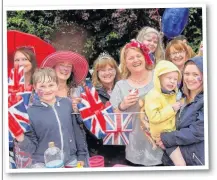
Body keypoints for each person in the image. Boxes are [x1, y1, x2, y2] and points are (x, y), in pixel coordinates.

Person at [15, 67, 89, 167]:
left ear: (57, 85)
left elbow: (77, 131)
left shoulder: (67, 103)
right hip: (43, 164)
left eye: (51, 85)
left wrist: (81, 156)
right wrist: (21, 138)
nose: (47, 90)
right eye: (42, 86)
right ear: (34, 88)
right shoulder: (30, 113)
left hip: (70, 160)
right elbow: (31, 148)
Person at [110, 39, 163, 166]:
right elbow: (112, 117)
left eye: (138, 56)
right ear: (125, 63)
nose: (135, 60)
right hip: (134, 147)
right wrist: (123, 106)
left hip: (161, 143)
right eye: (130, 58)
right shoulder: (120, 86)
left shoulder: (158, 76)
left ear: (145, 57)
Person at [157, 56, 204, 166]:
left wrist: (165, 138)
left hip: (193, 160)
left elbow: (198, 132)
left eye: (195, 74)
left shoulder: (207, 100)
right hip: (170, 159)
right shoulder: (177, 97)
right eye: (187, 74)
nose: (190, 78)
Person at [144, 60, 186, 166]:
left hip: (171, 132)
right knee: (181, 163)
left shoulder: (172, 93)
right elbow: (153, 117)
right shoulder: (153, 95)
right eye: (169, 78)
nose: (172, 81)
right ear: (159, 78)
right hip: (161, 135)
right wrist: (171, 109)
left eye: (175, 79)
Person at [87, 52, 123, 167]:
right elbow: (90, 125)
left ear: (116, 70)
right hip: (102, 149)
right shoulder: (92, 93)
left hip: (125, 146)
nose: (107, 73)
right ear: (97, 73)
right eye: (102, 70)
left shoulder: (123, 88)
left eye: (110, 69)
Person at [9, 46, 37, 169]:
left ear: (32, 62)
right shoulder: (6, 83)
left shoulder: (40, 84)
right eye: (17, 60)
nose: (20, 63)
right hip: (10, 140)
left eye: (24, 59)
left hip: (33, 140)